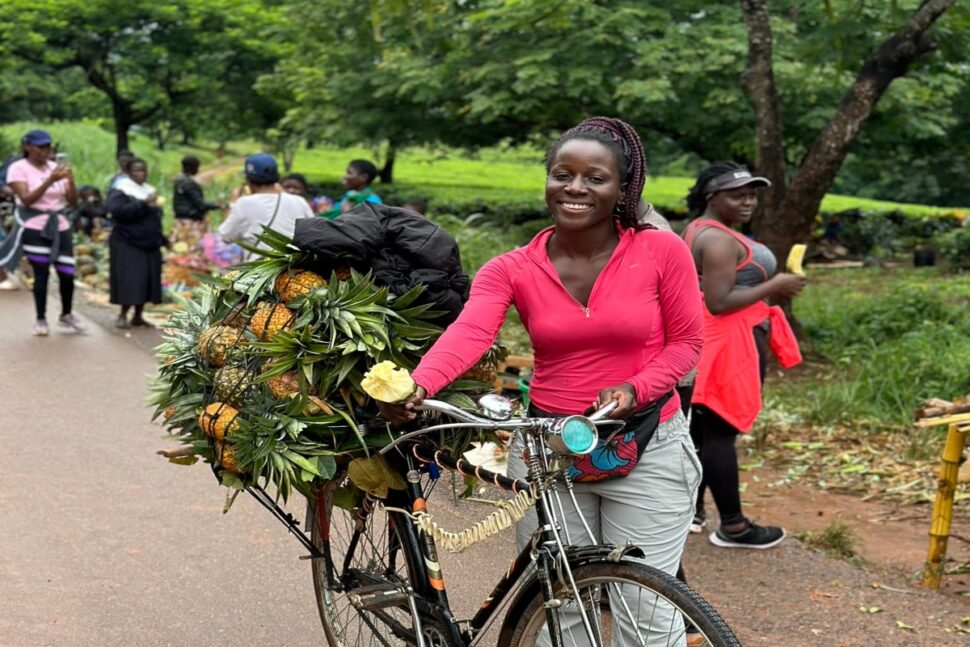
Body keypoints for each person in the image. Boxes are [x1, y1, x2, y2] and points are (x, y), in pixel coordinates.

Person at [380, 117, 703, 643]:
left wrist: (636, 387)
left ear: (623, 190)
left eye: (595, 178)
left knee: (644, 616)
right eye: (562, 174)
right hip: (546, 449)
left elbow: (686, 344)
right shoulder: (511, 268)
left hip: (646, 444)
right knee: (559, 605)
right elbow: (471, 333)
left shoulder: (661, 252)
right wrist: (418, 385)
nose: (575, 188)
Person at [682, 161, 806, 549]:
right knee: (720, 431)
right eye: (737, 195)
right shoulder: (717, 239)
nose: (748, 201)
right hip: (724, 343)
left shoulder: (705, 231)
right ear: (711, 197)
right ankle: (734, 526)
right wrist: (776, 285)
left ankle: (693, 512)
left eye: (752, 194)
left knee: (702, 431)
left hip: (719, 339)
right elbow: (719, 302)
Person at [0, 129, 82, 335]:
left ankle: (66, 313)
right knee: (41, 273)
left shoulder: (56, 167)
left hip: (60, 224)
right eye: (40, 146)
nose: (45, 151)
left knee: (67, 272)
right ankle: (41, 318)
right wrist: (50, 181)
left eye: (47, 146)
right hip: (34, 226)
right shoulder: (18, 169)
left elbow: (72, 201)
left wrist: (70, 181)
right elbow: (26, 199)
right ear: (27, 147)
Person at [106, 158, 166, 329]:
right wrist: (143, 203)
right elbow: (116, 212)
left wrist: (162, 238)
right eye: (136, 171)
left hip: (149, 243)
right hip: (128, 241)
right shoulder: (121, 190)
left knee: (148, 279)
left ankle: (138, 315)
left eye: (143, 170)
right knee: (131, 279)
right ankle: (123, 314)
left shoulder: (148, 190)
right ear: (129, 172)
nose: (141, 174)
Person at [218, 154, 313, 260]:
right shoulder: (299, 201)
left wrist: (231, 204)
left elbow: (225, 236)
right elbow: (313, 233)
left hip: (258, 273)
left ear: (248, 180)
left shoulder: (244, 203)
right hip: (295, 270)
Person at [171, 155, 221, 256]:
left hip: (181, 219)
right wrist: (215, 205)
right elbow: (200, 204)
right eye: (197, 167)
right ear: (192, 167)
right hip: (191, 221)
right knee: (192, 249)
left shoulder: (178, 180)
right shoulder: (189, 183)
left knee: (182, 247)